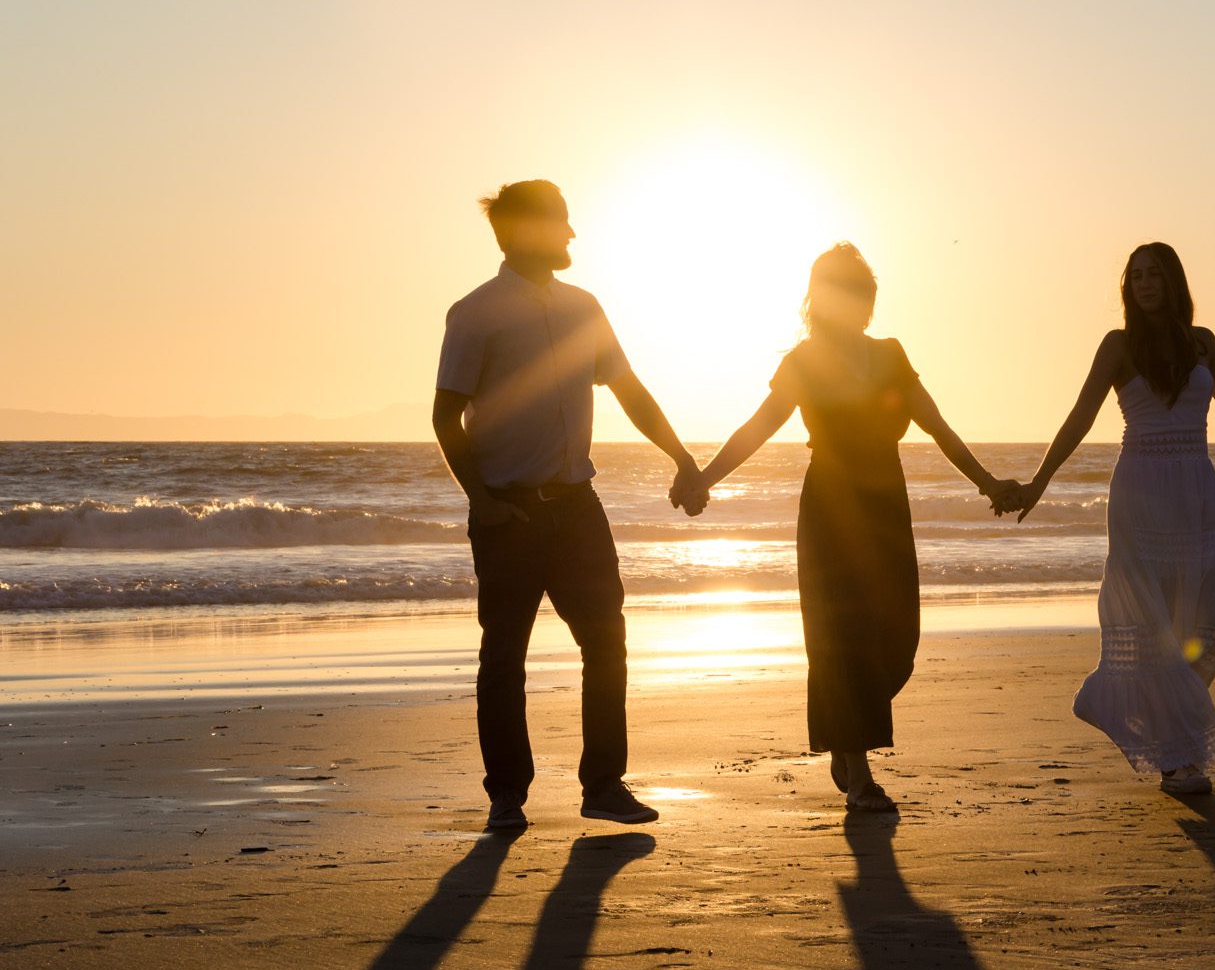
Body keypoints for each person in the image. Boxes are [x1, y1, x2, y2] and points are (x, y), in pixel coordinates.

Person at [680, 244, 1018, 814]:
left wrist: (988, 483)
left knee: (898, 642)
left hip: (885, 503)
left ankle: (844, 732)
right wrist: (704, 479)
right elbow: (759, 427)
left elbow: (936, 424)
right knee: (844, 637)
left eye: (857, 290)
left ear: (868, 298)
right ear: (818, 299)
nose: (848, 300)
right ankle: (860, 775)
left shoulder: (890, 354)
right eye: (835, 290)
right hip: (831, 508)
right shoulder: (804, 361)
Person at [433, 179, 705, 832]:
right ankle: (507, 795)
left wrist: (682, 456)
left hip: (578, 505)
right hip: (509, 513)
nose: (573, 234)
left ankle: (603, 786)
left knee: (606, 641)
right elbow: (445, 417)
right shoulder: (475, 313)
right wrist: (482, 501)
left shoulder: (584, 307)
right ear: (522, 232)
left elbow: (629, 389)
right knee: (504, 657)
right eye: (560, 222)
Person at [1016, 243, 1215, 796]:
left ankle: (1169, 731)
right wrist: (1039, 481)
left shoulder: (1203, 343)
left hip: (1196, 490)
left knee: (1213, 607)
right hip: (1140, 492)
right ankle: (1178, 758)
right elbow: (1080, 416)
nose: (1145, 284)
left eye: (1154, 274)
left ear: (1174, 281)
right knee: (1154, 623)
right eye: (1136, 276)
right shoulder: (1118, 345)